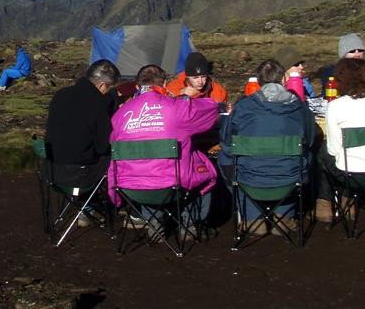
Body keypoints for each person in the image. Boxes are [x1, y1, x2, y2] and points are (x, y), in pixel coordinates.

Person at [107, 64, 219, 234]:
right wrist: (187, 97)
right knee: (204, 170)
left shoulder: (120, 115)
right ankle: (190, 224)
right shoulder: (177, 107)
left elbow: (113, 143)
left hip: (130, 186)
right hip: (171, 184)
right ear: (165, 83)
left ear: (137, 86)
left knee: (144, 170)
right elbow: (210, 108)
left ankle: (154, 223)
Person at [218, 59, 315, 234]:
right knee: (304, 156)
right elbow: (311, 139)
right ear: (283, 80)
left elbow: (226, 139)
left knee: (226, 159)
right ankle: (283, 214)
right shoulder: (300, 108)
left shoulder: (243, 107)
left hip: (249, 177)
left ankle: (252, 215)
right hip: (290, 177)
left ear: (259, 82)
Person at [317, 58, 365, 222]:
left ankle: (325, 204)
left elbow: (334, 149)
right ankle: (347, 199)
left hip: (353, 173)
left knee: (323, 151)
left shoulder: (336, 106)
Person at [44, 59, 120, 190]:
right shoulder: (98, 103)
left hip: (52, 170)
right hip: (80, 173)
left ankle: (86, 204)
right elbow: (103, 146)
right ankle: (111, 199)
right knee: (116, 158)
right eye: (109, 88)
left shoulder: (61, 94)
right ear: (102, 85)